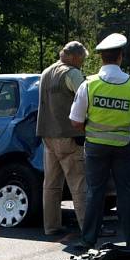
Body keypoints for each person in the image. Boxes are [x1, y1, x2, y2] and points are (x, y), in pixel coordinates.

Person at [69, 33, 130, 250]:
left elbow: (75, 120)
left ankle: (88, 240)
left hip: (95, 147)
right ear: (120, 57)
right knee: (126, 192)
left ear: (102, 58)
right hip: (124, 147)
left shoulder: (89, 84)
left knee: (95, 192)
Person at [36, 41, 89, 236]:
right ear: (75, 57)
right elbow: (85, 98)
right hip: (68, 135)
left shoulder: (46, 72)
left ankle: (51, 227)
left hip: (47, 136)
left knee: (51, 185)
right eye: (82, 59)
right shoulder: (72, 73)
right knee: (79, 184)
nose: (82, 63)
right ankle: (87, 228)